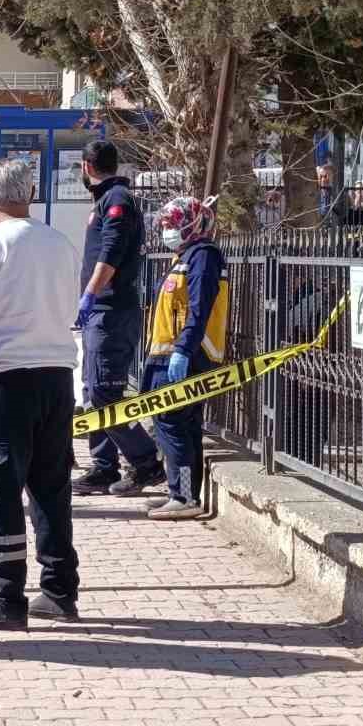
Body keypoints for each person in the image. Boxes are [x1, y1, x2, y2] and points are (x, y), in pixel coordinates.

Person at [0, 157, 83, 628]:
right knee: (51, 486)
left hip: (4, 380)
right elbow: (71, 306)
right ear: (30, 195)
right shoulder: (61, 243)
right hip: (56, 377)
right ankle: (60, 589)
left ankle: (7, 596)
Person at [73, 139, 165, 497]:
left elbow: (110, 253)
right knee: (93, 389)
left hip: (111, 311)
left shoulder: (116, 202)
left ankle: (145, 463)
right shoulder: (106, 200)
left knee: (105, 392)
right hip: (102, 311)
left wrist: (91, 293)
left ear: (86, 167)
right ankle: (103, 465)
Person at [141, 196, 230, 520]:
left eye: (171, 225)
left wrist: (182, 349)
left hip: (187, 356)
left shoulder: (202, 256)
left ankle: (183, 496)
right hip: (172, 355)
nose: (166, 231)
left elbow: (199, 307)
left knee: (172, 423)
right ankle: (185, 493)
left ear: (191, 225)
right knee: (184, 425)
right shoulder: (187, 256)